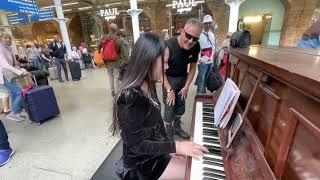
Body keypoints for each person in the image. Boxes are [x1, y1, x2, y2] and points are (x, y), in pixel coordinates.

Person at [111, 33, 208, 179]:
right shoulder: (129, 97)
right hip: (140, 167)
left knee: (191, 164)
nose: (167, 67)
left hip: (153, 155)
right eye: (164, 62)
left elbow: (155, 126)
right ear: (147, 61)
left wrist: (169, 148)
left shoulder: (148, 83)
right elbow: (137, 145)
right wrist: (177, 146)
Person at [163, 18, 201, 140]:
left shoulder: (196, 46)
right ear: (182, 31)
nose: (191, 41)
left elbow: (193, 68)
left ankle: (177, 128)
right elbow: (160, 72)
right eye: (188, 36)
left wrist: (186, 86)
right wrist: (169, 90)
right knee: (169, 108)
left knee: (181, 106)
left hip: (183, 78)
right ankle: (168, 132)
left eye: (195, 39)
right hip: (169, 78)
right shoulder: (168, 45)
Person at [0, 33, 27, 122]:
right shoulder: (1, 48)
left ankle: (17, 113)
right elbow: (4, 64)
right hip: (4, 76)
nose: (8, 40)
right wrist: (18, 72)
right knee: (19, 92)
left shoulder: (8, 49)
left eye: (9, 38)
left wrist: (20, 69)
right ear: (1, 39)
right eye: (5, 38)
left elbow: (13, 64)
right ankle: (14, 113)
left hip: (9, 75)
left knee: (13, 93)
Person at [98, 23, 129, 97]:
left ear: (109, 29)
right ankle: (117, 93)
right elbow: (125, 55)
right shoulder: (119, 40)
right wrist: (125, 63)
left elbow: (98, 46)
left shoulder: (104, 38)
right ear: (116, 30)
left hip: (107, 62)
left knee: (110, 77)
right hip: (116, 62)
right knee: (116, 77)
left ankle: (112, 91)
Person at [195, 15, 216, 94]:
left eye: (210, 23)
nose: (208, 25)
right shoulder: (199, 35)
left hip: (210, 60)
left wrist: (212, 58)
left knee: (206, 78)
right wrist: (199, 59)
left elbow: (213, 47)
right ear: (203, 24)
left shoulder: (212, 35)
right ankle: (199, 95)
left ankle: (204, 94)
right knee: (201, 78)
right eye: (206, 23)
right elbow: (197, 48)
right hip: (202, 60)